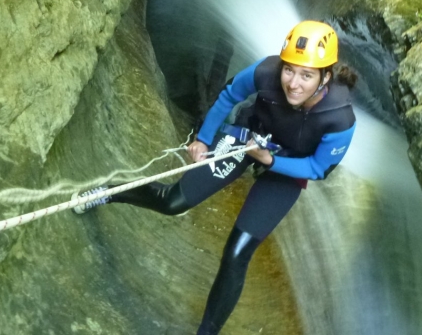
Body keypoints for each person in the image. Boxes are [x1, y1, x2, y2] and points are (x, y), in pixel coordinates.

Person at [72, 21, 358, 335]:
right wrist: (204, 139)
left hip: (289, 164)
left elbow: (317, 169)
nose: (293, 83)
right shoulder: (266, 72)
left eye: (306, 75)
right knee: (173, 201)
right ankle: (111, 193)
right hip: (249, 137)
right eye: (289, 70)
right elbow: (229, 96)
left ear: (325, 77)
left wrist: (271, 161)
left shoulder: (339, 119)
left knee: (237, 253)